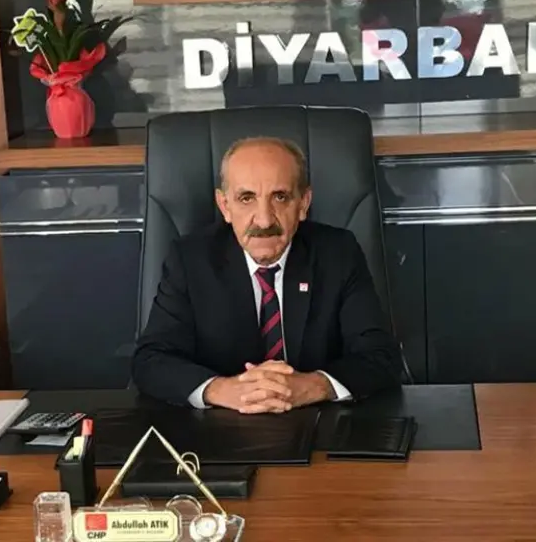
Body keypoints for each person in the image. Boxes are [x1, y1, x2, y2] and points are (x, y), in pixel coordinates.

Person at [131, 137, 404, 413]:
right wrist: (221, 390)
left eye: (280, 197)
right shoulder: (191, 260)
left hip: (318, 423)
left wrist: (312, 386)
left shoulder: (338, 253)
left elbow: (381, 356)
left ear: (303, 203)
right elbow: (151, 360)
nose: (264, 220)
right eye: (246, 198)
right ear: (224, 206)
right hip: (220, 427)